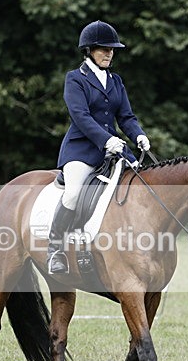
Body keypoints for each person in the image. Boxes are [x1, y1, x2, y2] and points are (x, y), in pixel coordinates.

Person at [48, 20, 151, 275]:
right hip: (81, 151)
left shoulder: (115, 81)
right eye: (104, 49)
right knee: (72, 194)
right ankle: (55, 249)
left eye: (112, 49)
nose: (109, 53)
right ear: (89, 50)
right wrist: (106, 140)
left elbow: (126, 117)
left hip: (115, 150)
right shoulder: (75, 79)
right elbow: (80, 116)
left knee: (137, 187)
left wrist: (138, 135)